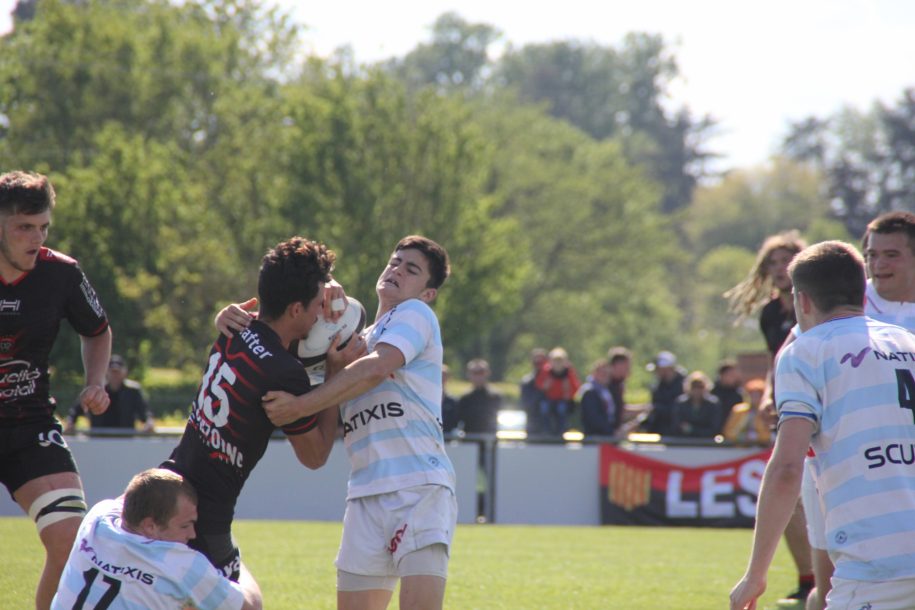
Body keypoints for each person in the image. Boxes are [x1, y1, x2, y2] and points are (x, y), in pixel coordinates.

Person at [224, 235, 456, 610]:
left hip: (417, 486)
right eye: (395, 261)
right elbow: (290, 331)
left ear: (427, 293)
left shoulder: (415, 315)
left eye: (411, 269)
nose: (397, 269)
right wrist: (236, 319)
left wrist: (300, 405)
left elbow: (377, 369)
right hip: (364, 492)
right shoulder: (352, 342)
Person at [161, 237, 363, 583]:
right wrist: (335, 376)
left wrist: (328, 285)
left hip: (168, 481)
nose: (320, 314)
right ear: (296, 310)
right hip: (202, 513)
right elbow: (314, 456)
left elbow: (283, 284)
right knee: (246, 604)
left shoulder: (232, 326)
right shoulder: (284, 372)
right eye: (317, 305)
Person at [729, 240, 915, 610]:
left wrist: (755, 575)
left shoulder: (805, 351)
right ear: (862, 294)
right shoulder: (909, 342)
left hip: (876, 563)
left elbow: (786, 469)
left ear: (803, 301)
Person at [0, 171, 112, 610]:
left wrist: (95, 382)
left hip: (29, 425)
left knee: (72, 540)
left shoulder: (61, 274)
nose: (36, 237)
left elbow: (98, 331)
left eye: (43, 226)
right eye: (24, 227)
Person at [801, 211, 915, 610]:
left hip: (905, 461)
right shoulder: (845, 299)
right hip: (844, 461)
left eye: (892, 254)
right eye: (871, 255)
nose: (878, 265)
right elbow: (793, 356)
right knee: (829, 580)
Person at [725, 230, 813, 604]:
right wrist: (769, 391)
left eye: (786, 262)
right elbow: (776, 359)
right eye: (772, 264)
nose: (780, 270)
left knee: (815, 493)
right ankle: (808, 579)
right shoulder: (769, 314)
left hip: (823, 407)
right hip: (792, 411)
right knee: (791, 495)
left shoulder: (814, 304)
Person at [52, 468, 262, 610]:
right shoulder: (182, 565)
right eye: (185, 525)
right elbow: (252, 605)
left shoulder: (97, 519)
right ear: (150, 526)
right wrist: (229, 552)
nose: (193, 534)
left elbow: (134, 496)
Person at [64, 354, 154, 433]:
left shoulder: (133, 391)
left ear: (125, 372)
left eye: (118, 372)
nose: (115, 375)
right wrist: (70, 422)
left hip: (126, 441)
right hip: (98, 440)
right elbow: (77, 409)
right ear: (106, 372)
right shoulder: (96, 390)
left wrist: (149, 422)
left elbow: (145, 412)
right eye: (112, 371)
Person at [534, 347, 581, 436]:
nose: (557, 364)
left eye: (560, 361)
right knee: (544, 408)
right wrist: (545, 386)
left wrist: (569, 392)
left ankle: (561, 431)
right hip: (549, 399)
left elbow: (576, 387)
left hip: (562, 400)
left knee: (561, 409)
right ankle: (546, 430)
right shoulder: (546, 371)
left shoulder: (568, 373)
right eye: (555, 361)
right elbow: (538, 384)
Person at [644, 350, 686, 436]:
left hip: (676, 436)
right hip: (659, 434)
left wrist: (656, 408)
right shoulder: (658, 386)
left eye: (659, 369)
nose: (657, 372)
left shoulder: (683, 387)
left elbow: (676, 412)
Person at [669, 371, 722, 439]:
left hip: (707, 443)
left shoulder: (713, 404)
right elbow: (676, 426)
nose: (697, 390)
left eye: (700, 387)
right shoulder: (680, 403)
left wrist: (692, 429)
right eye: (694, 387)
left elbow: (714, 429)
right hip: (684, 442)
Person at [456, 358, 502, 435]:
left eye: (481, 372)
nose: (478, 376)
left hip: (489, 441)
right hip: (470, 442)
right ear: (469, 374)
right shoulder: (465, 399)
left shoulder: (495, 397)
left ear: (487, 373)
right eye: (475, 373)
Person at [721, 378, 771, 445]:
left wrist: (755, 437)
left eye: (758, 395)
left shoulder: (767, 411)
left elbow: (768, 435)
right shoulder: (738, 410)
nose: (754, 397)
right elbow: (727, 432)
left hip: (760, 449)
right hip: (738, 448)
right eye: (752, 394)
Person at [578, 358, 617, 438]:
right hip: (593, 437)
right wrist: (612, 431)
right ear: (594, 373)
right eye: (602, 373)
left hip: (605, 436)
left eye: (607, 374)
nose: (605, 376)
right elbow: (594, 419)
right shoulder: (589, 392)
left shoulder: (606, 392)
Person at [519, 348, 547, 435]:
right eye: (537, 363)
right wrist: (542, 391)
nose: (539, 365)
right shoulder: (527, 382)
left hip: (551, 429)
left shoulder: (553, 380)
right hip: (533, 428)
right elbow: (526, 404)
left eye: (541, 362)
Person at [710, 359, 744, 426]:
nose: (733, 377)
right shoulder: (712, 392)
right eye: (730, 374)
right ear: (722, 375)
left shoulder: (738, 394)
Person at [606, 346, 632, 431]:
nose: (629, 371)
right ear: (618, 365)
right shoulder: (606, 385)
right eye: (627, 367)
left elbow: (621, 409)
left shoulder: (619, 384)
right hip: (607, 435)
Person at [440, 364, 459, 434]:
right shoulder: (426, 400)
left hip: (448, 439)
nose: (442, 378)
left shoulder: (453, 401)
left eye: (444, 375)